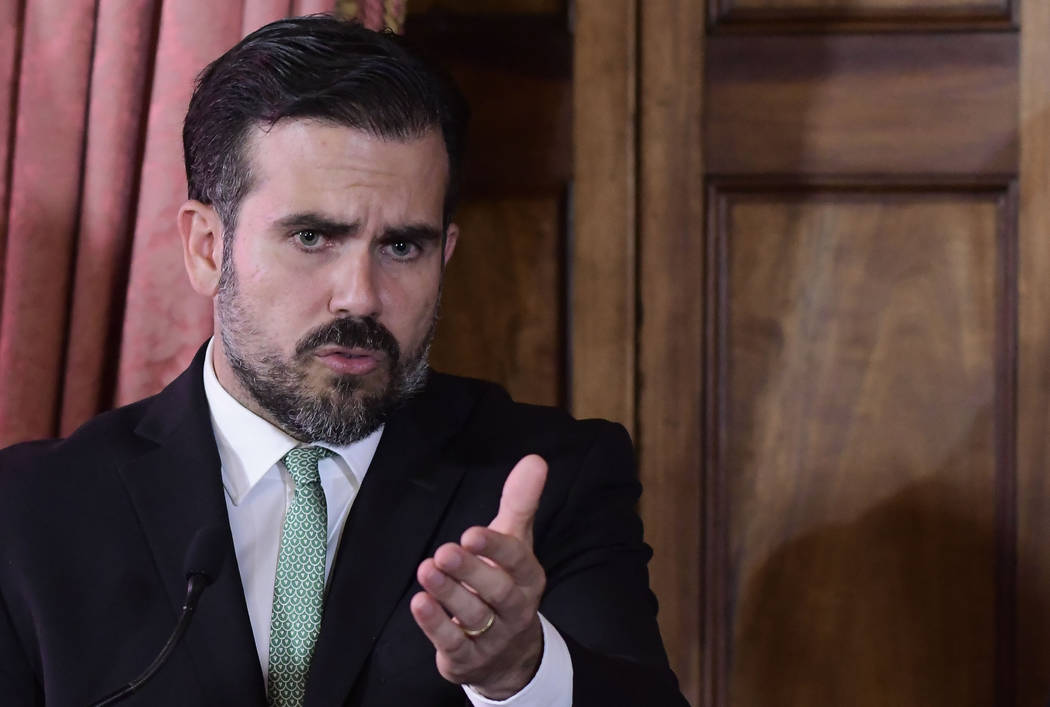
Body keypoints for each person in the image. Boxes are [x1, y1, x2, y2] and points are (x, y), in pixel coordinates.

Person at [0, 16, 688, 707]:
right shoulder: (32, 511)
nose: (360, 297)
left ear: (445, 253)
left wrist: (520, 672)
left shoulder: (549, 483)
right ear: (208, 247)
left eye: (401, 247)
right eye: (312, 236)